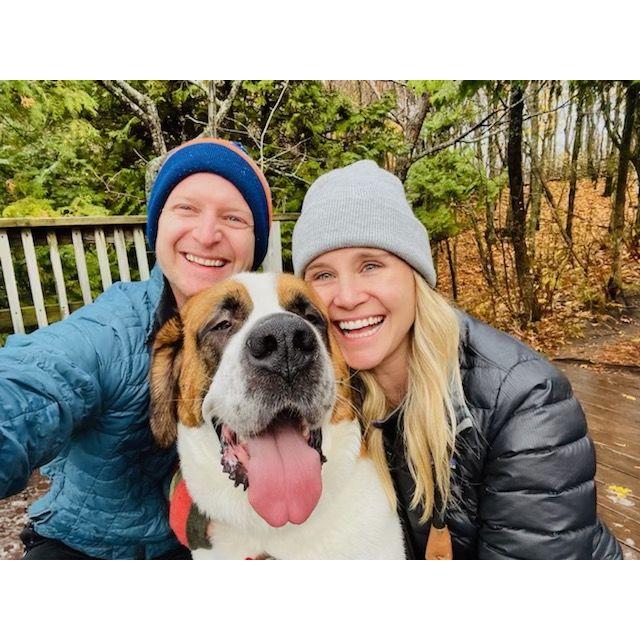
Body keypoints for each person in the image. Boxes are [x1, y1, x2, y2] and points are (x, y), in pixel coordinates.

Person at [289, 159, 622, 560]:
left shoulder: (526, 403)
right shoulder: (332, 394)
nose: (345, 296)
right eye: (322, 275)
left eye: (371, 265)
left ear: (415, 275)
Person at [0, 137, 272, 559]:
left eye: (234, 218)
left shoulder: (269, 332)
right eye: (186, 208)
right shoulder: (116, 329)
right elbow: (36, 381)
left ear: (255, 244)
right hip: (84, 548)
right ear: (157, 225)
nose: (207, 234)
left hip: (198, 546)